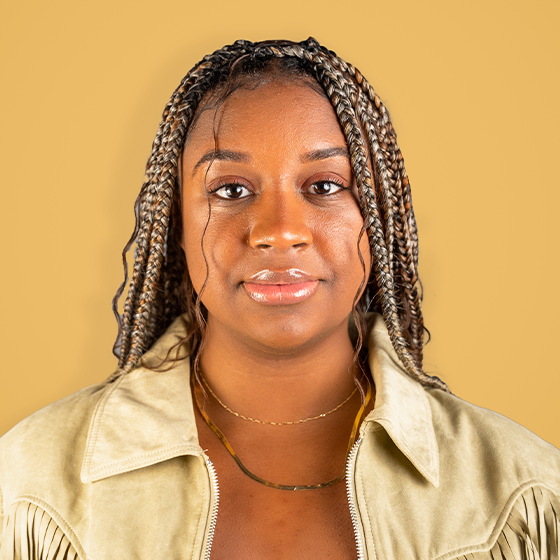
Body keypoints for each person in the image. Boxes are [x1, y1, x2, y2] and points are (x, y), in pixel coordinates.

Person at [0, 38, 559, 560]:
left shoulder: (523, 491)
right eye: (231, 190)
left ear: (378, 219)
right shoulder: (32, 485)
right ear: (174, 223)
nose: (279, 231)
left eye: (325, 186)